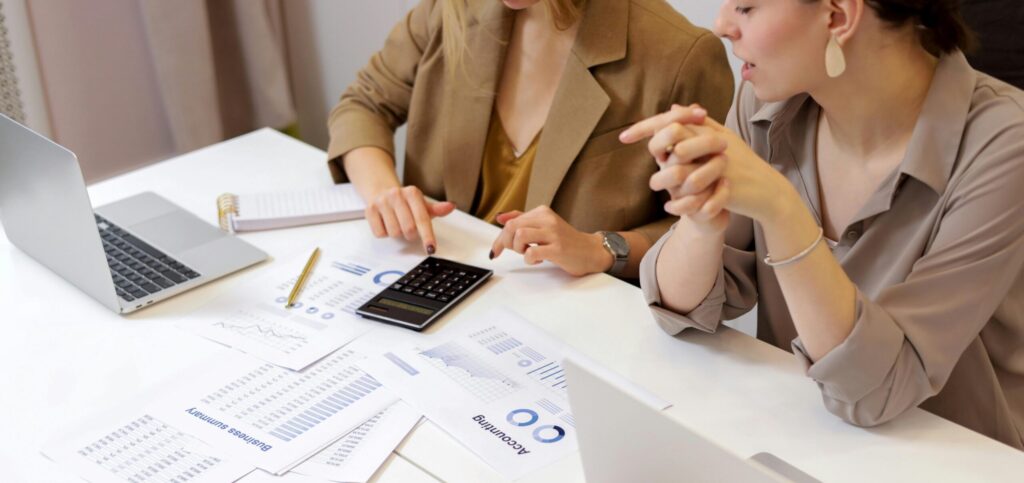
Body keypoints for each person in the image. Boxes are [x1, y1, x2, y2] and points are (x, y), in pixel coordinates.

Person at [621, 0, 1024, 448]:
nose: (720, 26)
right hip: (803, 440)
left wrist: (782, 208)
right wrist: (701, 219)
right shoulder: (767, 104)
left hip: (952, 457)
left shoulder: (1005, 147)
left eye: (747, 7)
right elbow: (681, 312)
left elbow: (879, 391)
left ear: (837, 15)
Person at [326, 0, 734, 278]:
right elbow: (363, 105)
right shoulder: (450, 10)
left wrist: (602, 248)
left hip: (576, 333)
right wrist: (385, 193)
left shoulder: (679, 55)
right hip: (435, 287)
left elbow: (712, 228)